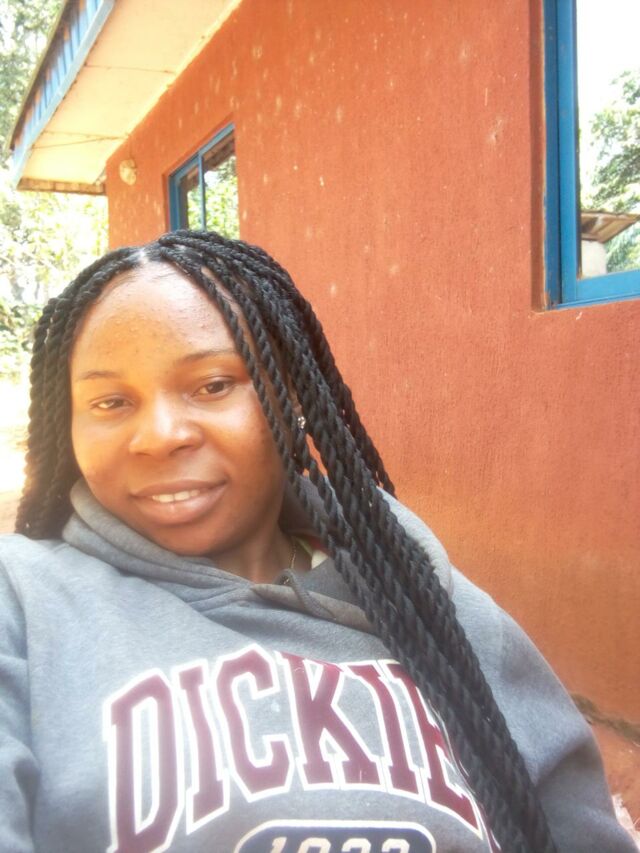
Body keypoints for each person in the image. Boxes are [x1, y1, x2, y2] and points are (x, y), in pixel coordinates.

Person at [0, 229, 634, 853]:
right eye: (111, 402)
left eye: (213, 385)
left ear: (291, 397)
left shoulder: (434, 608)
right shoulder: (23, 604)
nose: (160, 435)